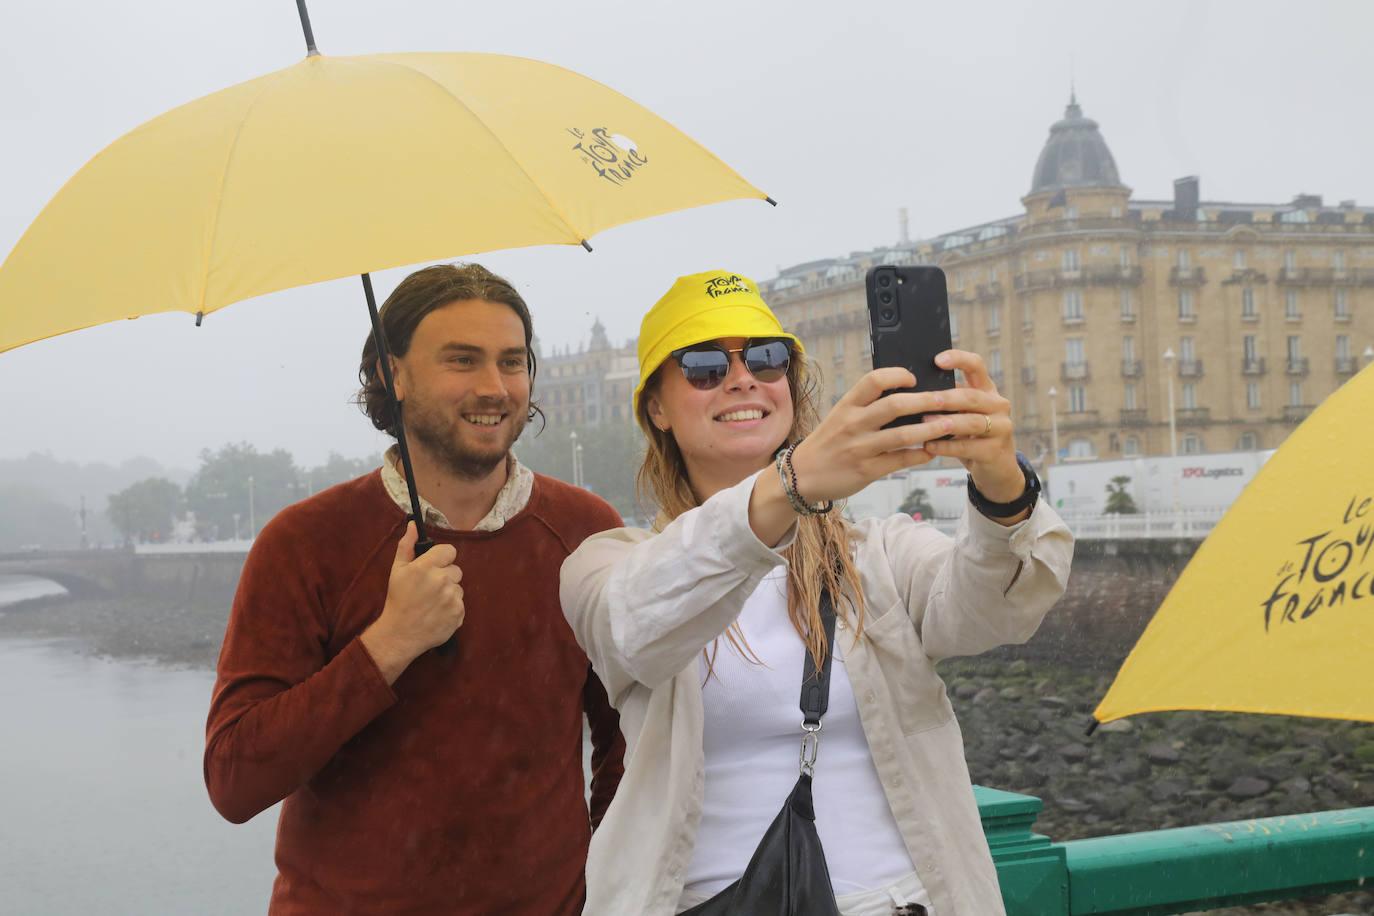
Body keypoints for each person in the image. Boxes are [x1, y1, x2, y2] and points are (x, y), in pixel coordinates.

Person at [560, 270, 1073, 915]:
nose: (742, 377)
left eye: (768, 358)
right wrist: (793, 483)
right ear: (655, 408)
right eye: (704, 365)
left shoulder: (876, 557)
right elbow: (635, 626)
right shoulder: (609, 566)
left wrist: (1002, 484)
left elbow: (994, 609)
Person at [205, 263, 625, 914]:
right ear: (390, 374)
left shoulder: (586, 532)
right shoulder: (305, 543)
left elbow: (627, 743)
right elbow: (234, 780)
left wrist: (609, 883)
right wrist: (387, 647)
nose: (495, 387)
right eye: (462, 360)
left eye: (513, 362)